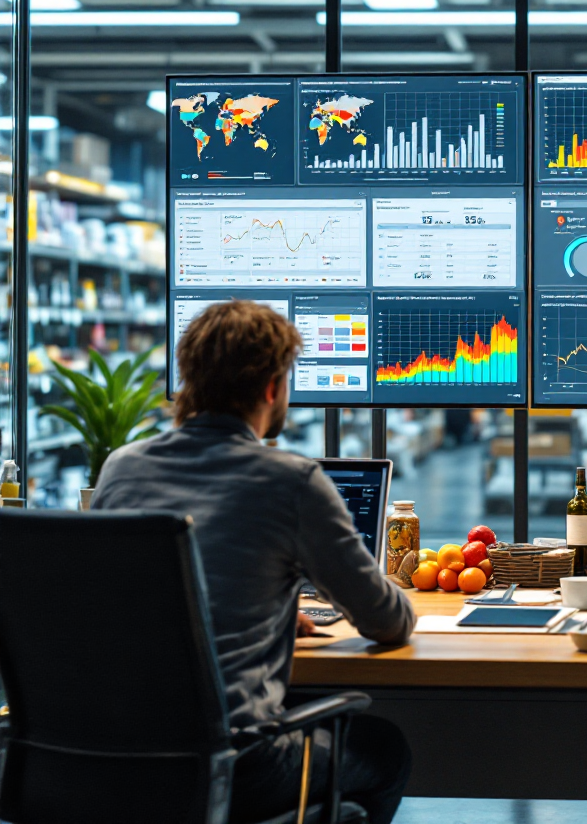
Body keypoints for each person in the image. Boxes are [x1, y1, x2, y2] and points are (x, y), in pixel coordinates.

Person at [93, 300, 416, 824]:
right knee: (384, 748)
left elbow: (125, 600)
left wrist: (252, 607)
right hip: (235, 767)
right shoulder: (290, 480)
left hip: (111, 758)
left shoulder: (121, 468)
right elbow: (387, 622)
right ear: (271, 388)